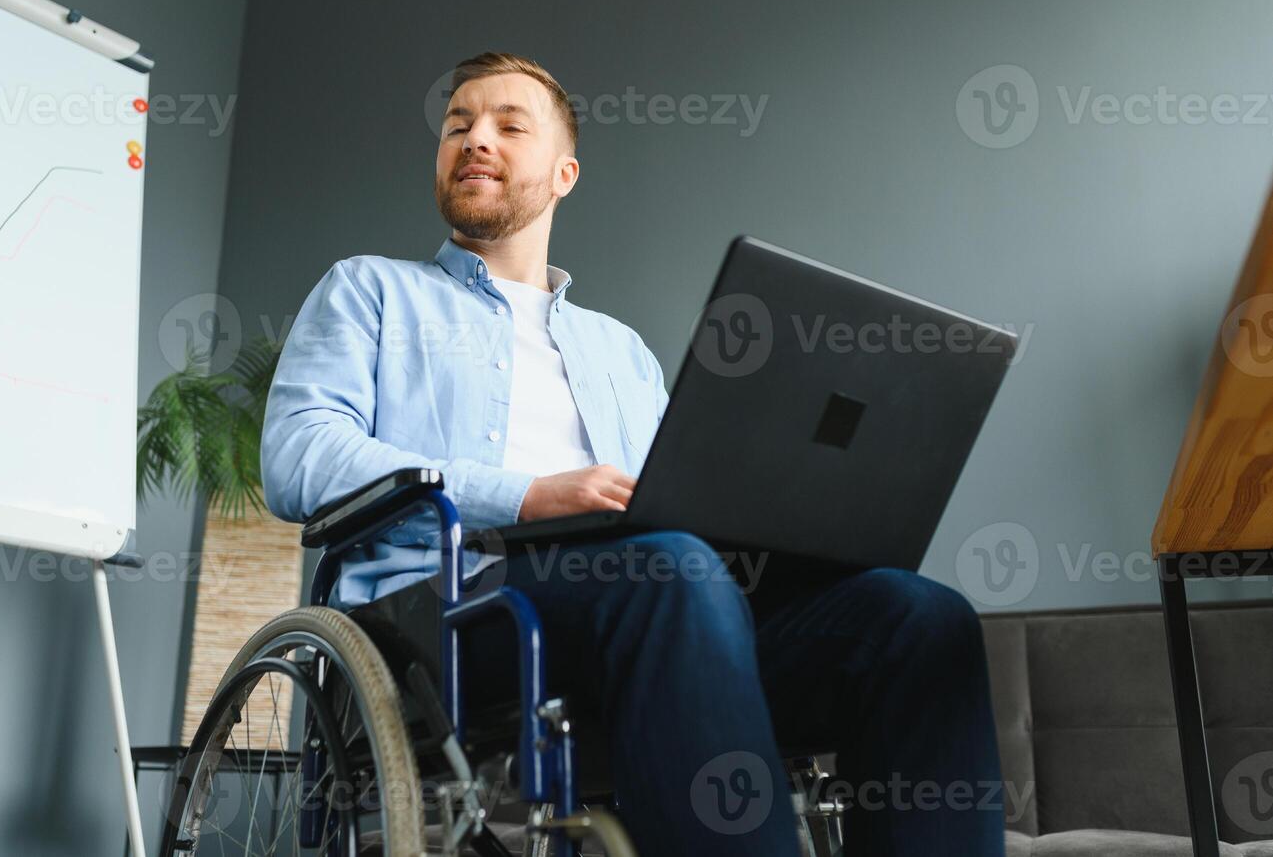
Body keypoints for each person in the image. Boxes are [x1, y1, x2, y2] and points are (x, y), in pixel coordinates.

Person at [261, 51, 1007, 855]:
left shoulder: (619, 352)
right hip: (445, 614)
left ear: (563, 174)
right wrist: (528, 494)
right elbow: (300, 456)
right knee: (672, 570)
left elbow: (678, 507)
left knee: (917, 616)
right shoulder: (369, 291)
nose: (475, 139)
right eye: (456, 126)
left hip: (658, 605)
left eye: (509, 126)